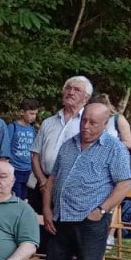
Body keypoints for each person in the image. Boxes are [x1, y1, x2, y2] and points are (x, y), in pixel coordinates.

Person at [30, 103, 131, 260]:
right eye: (84, 120)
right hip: (61, 216)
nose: (86, 126)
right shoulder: (69, 145)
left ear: (105, 124)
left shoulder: (114, 149)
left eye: (93, 122)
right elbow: (52, 179)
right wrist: (47, 209)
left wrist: (101, 209)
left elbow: (124, 185)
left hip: (91, 220)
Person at [31, 76, 93, 206]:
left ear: (86, 98)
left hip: (71, 188)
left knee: (63, 226)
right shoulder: (48, 122)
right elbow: (35, 155)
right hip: (42, 184)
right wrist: (42, 181)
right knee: (36, 223)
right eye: (68, 88)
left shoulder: (88, 125)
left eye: (77, 90)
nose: (71, 92)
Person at [8, 98, 40, 200]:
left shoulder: (32, 129)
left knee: (24, 198)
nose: (33, 116)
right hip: (14, 169)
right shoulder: (12, 127)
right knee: (15, 197)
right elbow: (6, 147)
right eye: (31, 113)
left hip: (28, 170)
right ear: (22, 112)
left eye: (35, 114)